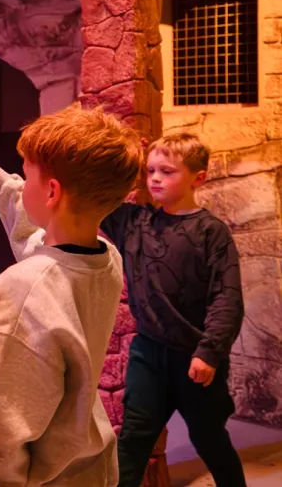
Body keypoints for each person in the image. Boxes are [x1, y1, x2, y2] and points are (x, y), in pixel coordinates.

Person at [0, 105, 142, 486]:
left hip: (42, 478)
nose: (22, 185)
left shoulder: (21, 288)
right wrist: (0, 180)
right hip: (92, 464)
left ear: (53, 191)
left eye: (26, 177)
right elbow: (41, 245)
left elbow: (2, 433)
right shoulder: (107, 260)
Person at [100, 132, 246, 487]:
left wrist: (209, 352)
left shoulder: (211, 232)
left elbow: (227, 297)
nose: (154, 179)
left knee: (209, 438)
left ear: (198, 177)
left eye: (167, 171)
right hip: (148, 353)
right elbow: (94, 193)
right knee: (133, 439)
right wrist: (126, 154)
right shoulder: (133, 222)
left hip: (196, 358)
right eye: (150, 170)